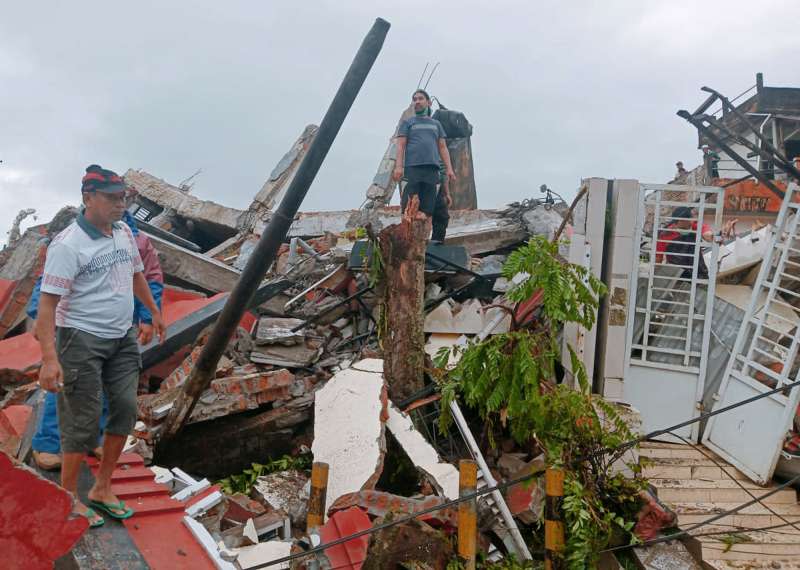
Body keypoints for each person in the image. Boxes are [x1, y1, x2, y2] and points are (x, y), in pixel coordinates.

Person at [36, 165, 165, 528]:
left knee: (124, 408)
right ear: (88, 197)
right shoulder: (68, 245)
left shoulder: (123, 232)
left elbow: (138, 274)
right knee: (82, 421)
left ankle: (102, 488)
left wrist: (154, 312)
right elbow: (45, 307)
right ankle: (68, 499)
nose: (119, 204)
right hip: (80, 338)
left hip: (121, 336)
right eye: (111, 198)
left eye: (122, 198)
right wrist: (49, 359)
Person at [392, 89, 455, 241]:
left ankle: (437, 243)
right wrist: (399, 167)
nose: (417, 101)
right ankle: (408, 243)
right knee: (410, 208)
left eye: (420, 98)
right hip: (413, 169)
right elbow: (400, 145)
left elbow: (442, 147)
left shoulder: (436, 125)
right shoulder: (408, 123)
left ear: (428, 102)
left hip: (432, 171)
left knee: (438, 210)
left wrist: (450, 169)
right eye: (414, 99)